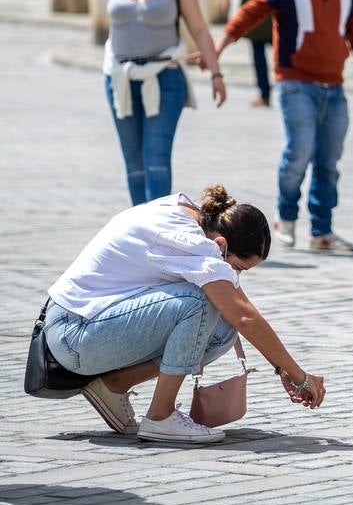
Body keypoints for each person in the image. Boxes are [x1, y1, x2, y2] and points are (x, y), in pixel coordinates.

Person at [42, 184, 326, 444]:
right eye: (238, 268)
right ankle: (160, 417)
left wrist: (283, 368)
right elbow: (244, 316)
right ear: (222, 245)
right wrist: (300, 376)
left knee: (221, 332)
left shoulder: (187, 216)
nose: (235, 275)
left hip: (82, 328)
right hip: (74, 336)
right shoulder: (192, 242)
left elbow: (242, 312)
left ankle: (113, 387)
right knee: (200, 302)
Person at [1, 0, 225, 205]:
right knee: (134, 166)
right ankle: (138, 230)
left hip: (165, 78)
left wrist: (217, 75)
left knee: (156, 160)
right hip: (119, 78)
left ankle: (159, 229)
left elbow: (199, 30)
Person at [211, 0, 353, 253]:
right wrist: (219, 46)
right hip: (295, 81)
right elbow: (251, 12)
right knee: (299, 152)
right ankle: (285, 218)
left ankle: (322, 232)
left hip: (334, 85)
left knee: (329, 161)